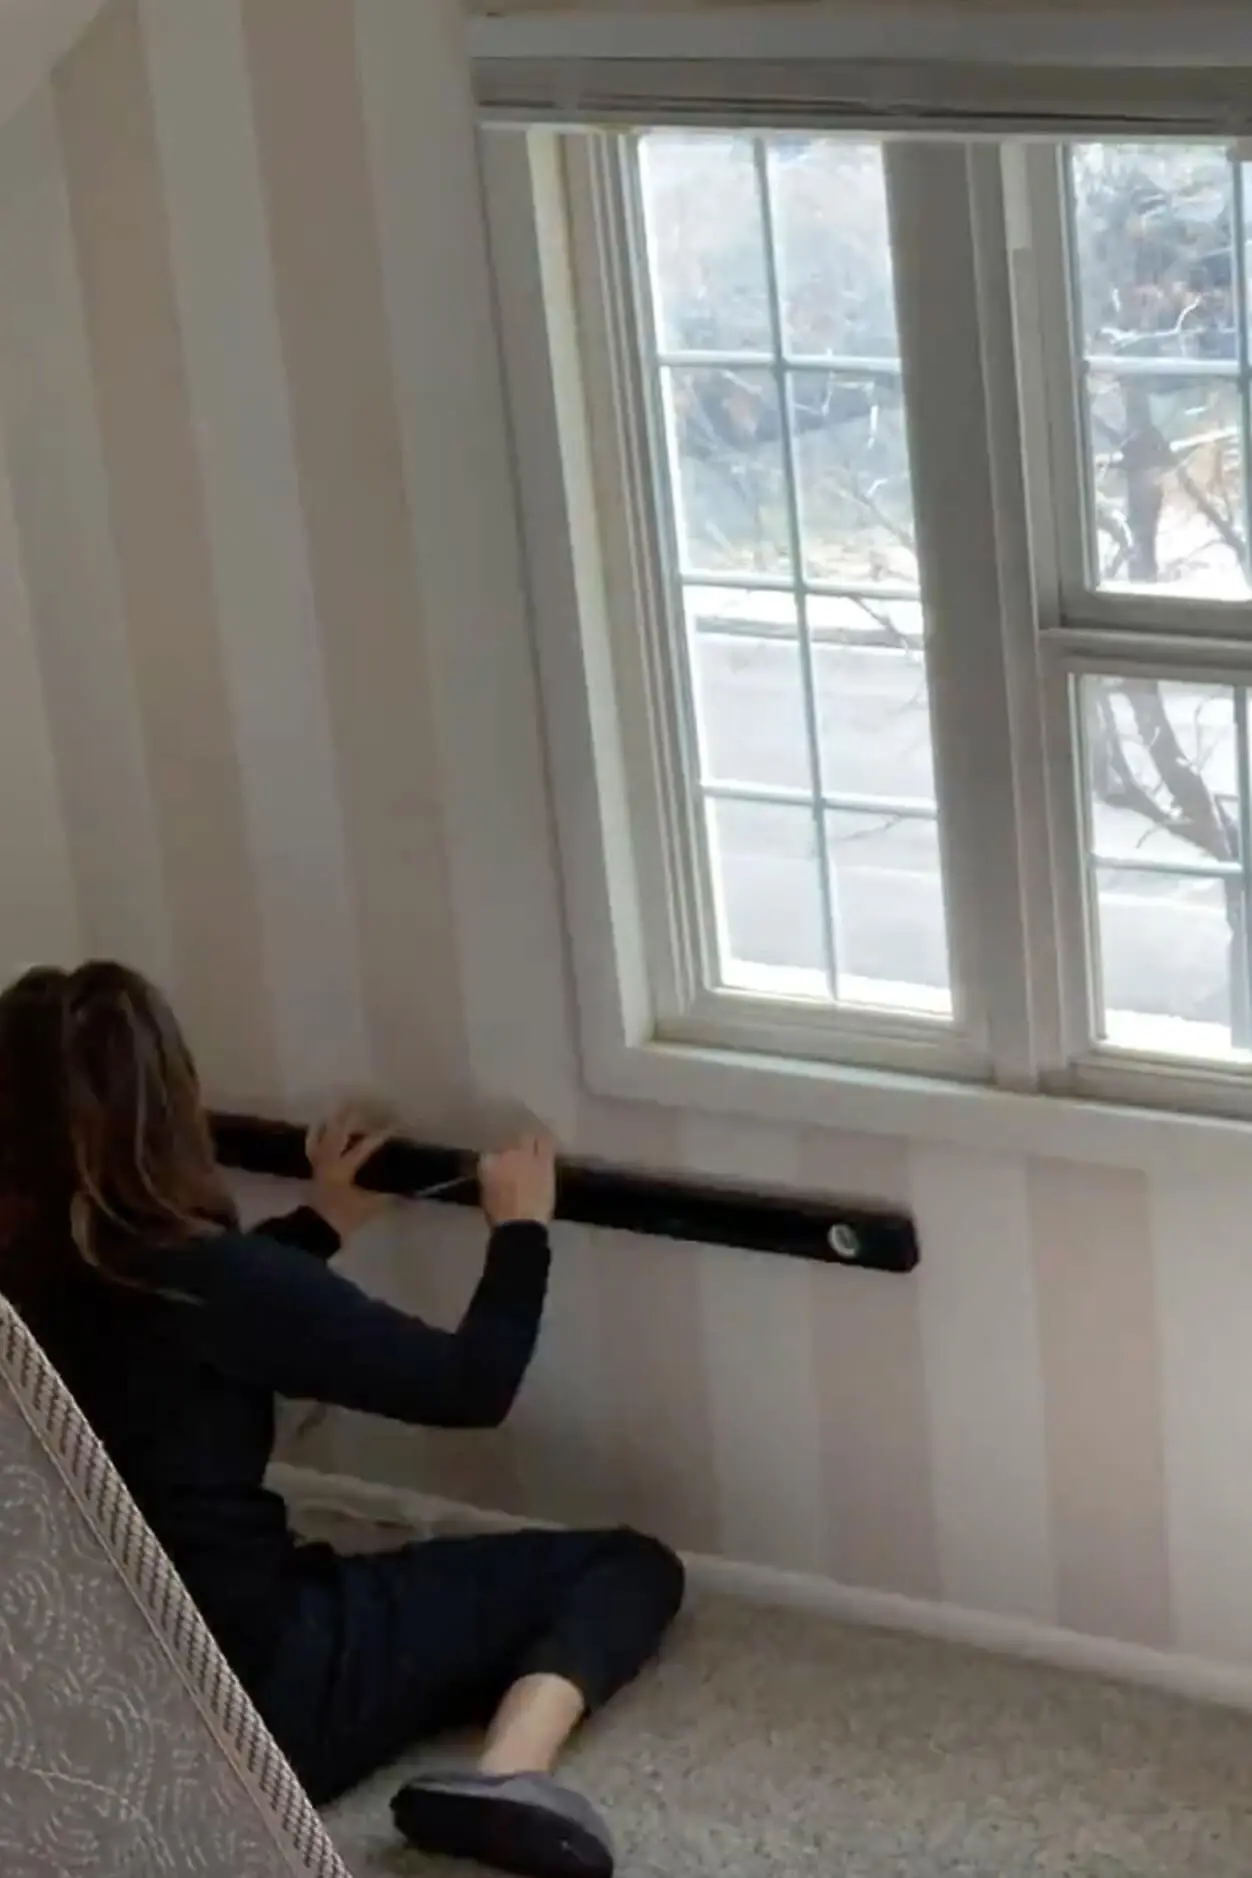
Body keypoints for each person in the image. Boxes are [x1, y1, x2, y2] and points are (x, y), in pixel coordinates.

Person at [0, 962, 684, 1878]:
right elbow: (471, 1385)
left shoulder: (42, 1280)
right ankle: (506, 1777)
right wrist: (521, 1230)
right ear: (170, 1108)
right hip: (256, 1702)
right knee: (626, 1565)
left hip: (66, 1692)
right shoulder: (221, 1286)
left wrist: (319, 1225)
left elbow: (171, 1329)